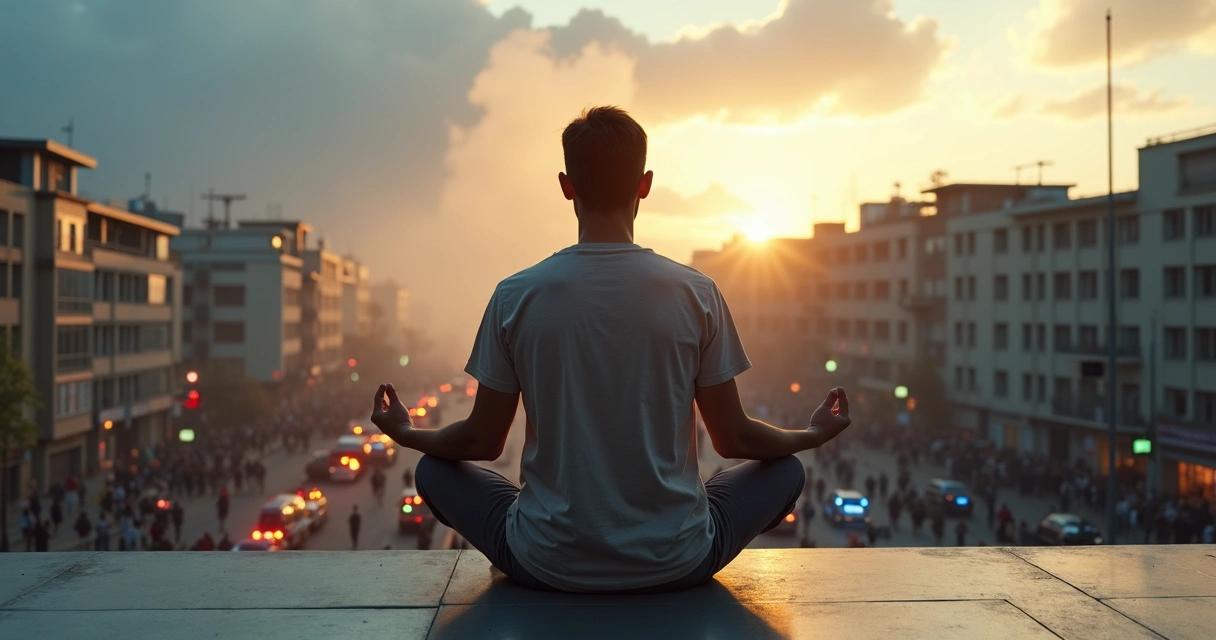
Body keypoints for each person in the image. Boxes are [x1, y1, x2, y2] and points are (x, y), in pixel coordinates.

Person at [369, 107, 852, 594]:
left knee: (433, 470)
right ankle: (669, 529)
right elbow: (733, 438)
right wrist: (811, 434)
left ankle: (551, 531)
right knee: (786, 469)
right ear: (644, 185)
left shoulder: (515, 295)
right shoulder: (696, 292)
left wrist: (408, 434)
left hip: (545, 563)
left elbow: (481, 441)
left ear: (566, 185)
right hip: (678, 561)